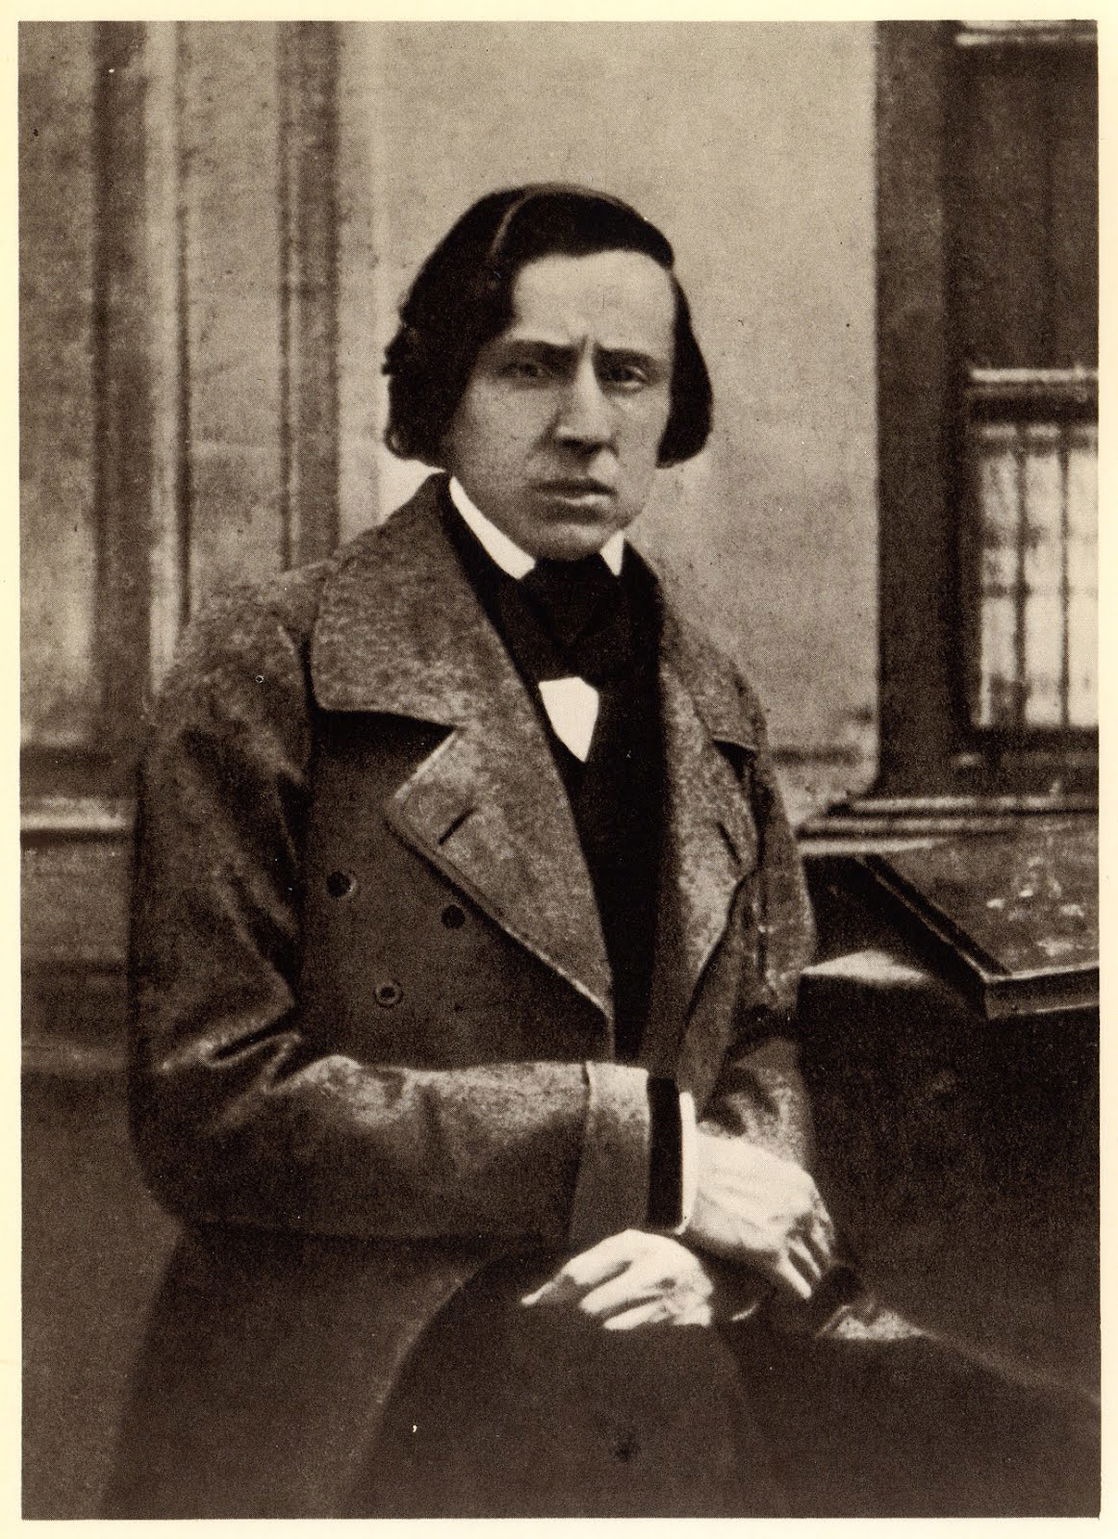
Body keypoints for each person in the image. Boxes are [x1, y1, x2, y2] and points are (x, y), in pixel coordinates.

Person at [105, 184, 843, 1519]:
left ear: (672, 409)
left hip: (665, 1373)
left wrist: (714, 1249)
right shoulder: (271, 665)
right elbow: (211, 1106)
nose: (585, 422)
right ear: (440, 394)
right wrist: (645, 1157)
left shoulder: (713, 696)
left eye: (628, 375)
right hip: (354, 1400)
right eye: (530, 368)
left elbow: (766, 1034)